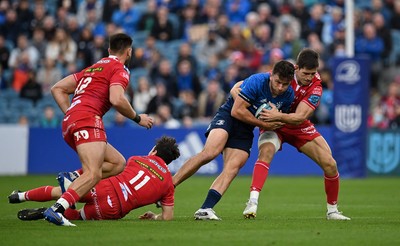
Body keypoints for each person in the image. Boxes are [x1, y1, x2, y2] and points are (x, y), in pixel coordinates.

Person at [44, 33, 154, 226]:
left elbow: (57, 88)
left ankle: (72, 178)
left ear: (109, 49)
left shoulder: (94, 67)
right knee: (93, 174)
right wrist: (138, 118)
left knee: (117, 163)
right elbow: (117, 99)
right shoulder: (120, 69)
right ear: (128, 52)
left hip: (71, 121)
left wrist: (71, 113)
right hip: (88, 119)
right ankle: (57, 210)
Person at [236, 48, 351, 220]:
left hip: (296, 125)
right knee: (265, 152)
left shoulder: (316, 86)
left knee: (330, 164)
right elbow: (245, 87)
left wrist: (278, 115)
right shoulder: (283, 74)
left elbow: (299, 117)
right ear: (296, 68)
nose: (309, 77)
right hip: (274, 124)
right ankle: (252, 202)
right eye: (306, 73)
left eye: (313, 73)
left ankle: (332, 211)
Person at [172, 60, 295, 220]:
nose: (280, 88)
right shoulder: (257, 81)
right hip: (228, 116)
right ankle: (170, 186)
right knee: (210, 152)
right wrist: (263, 123)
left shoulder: (288, 95)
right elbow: (237, 111)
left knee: (234, 166)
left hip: (246, 128)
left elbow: (277, 120)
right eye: (278, 82)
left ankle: (205, 209)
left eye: (284, 84)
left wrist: (275, 121)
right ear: (271, 75)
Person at [8, 136, 180, 224]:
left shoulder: (136, 159)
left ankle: (21, 196)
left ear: (154, 151)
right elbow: (167, 217)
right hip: (114, 209)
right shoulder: (168, 184)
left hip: (105, 187)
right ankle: (49, 211)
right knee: (77, 216)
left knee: (61, 192)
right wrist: (154, 216)